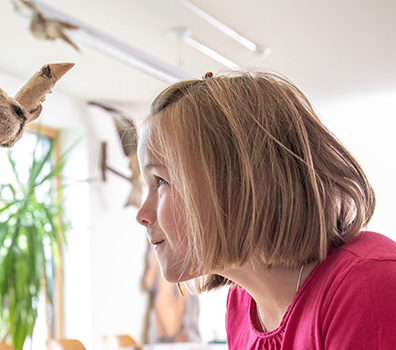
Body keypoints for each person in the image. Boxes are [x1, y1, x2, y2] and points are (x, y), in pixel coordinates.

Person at [135, 70, 396, 349]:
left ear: (233, 181)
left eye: (161, 181)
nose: (142, 214)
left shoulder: (366, 285)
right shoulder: (241, 304)